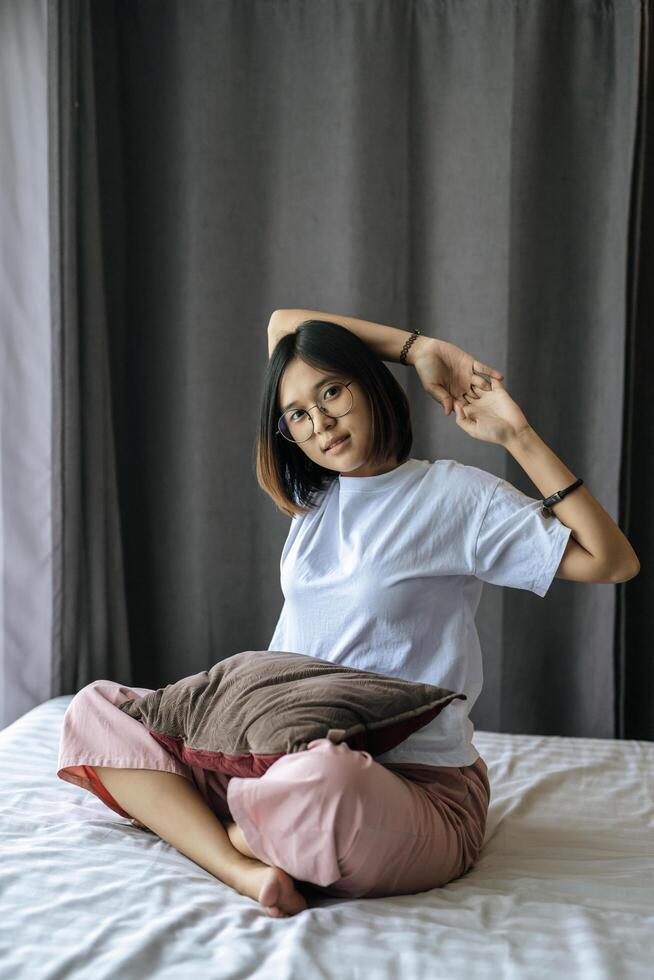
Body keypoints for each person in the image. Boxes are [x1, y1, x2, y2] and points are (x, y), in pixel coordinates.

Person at [57, 310, 639, 919]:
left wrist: (517, 436)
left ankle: (229, 824)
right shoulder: (316, 501)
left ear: (368, 382)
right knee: (96, 710)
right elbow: (283, 324)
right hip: (272, 752)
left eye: (333, 390)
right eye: (299, 414)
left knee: (322, 782)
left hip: (407, 787)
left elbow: (613, 561)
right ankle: (239, 862)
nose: (321, 422)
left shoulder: (455, 497)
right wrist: (422, 347)